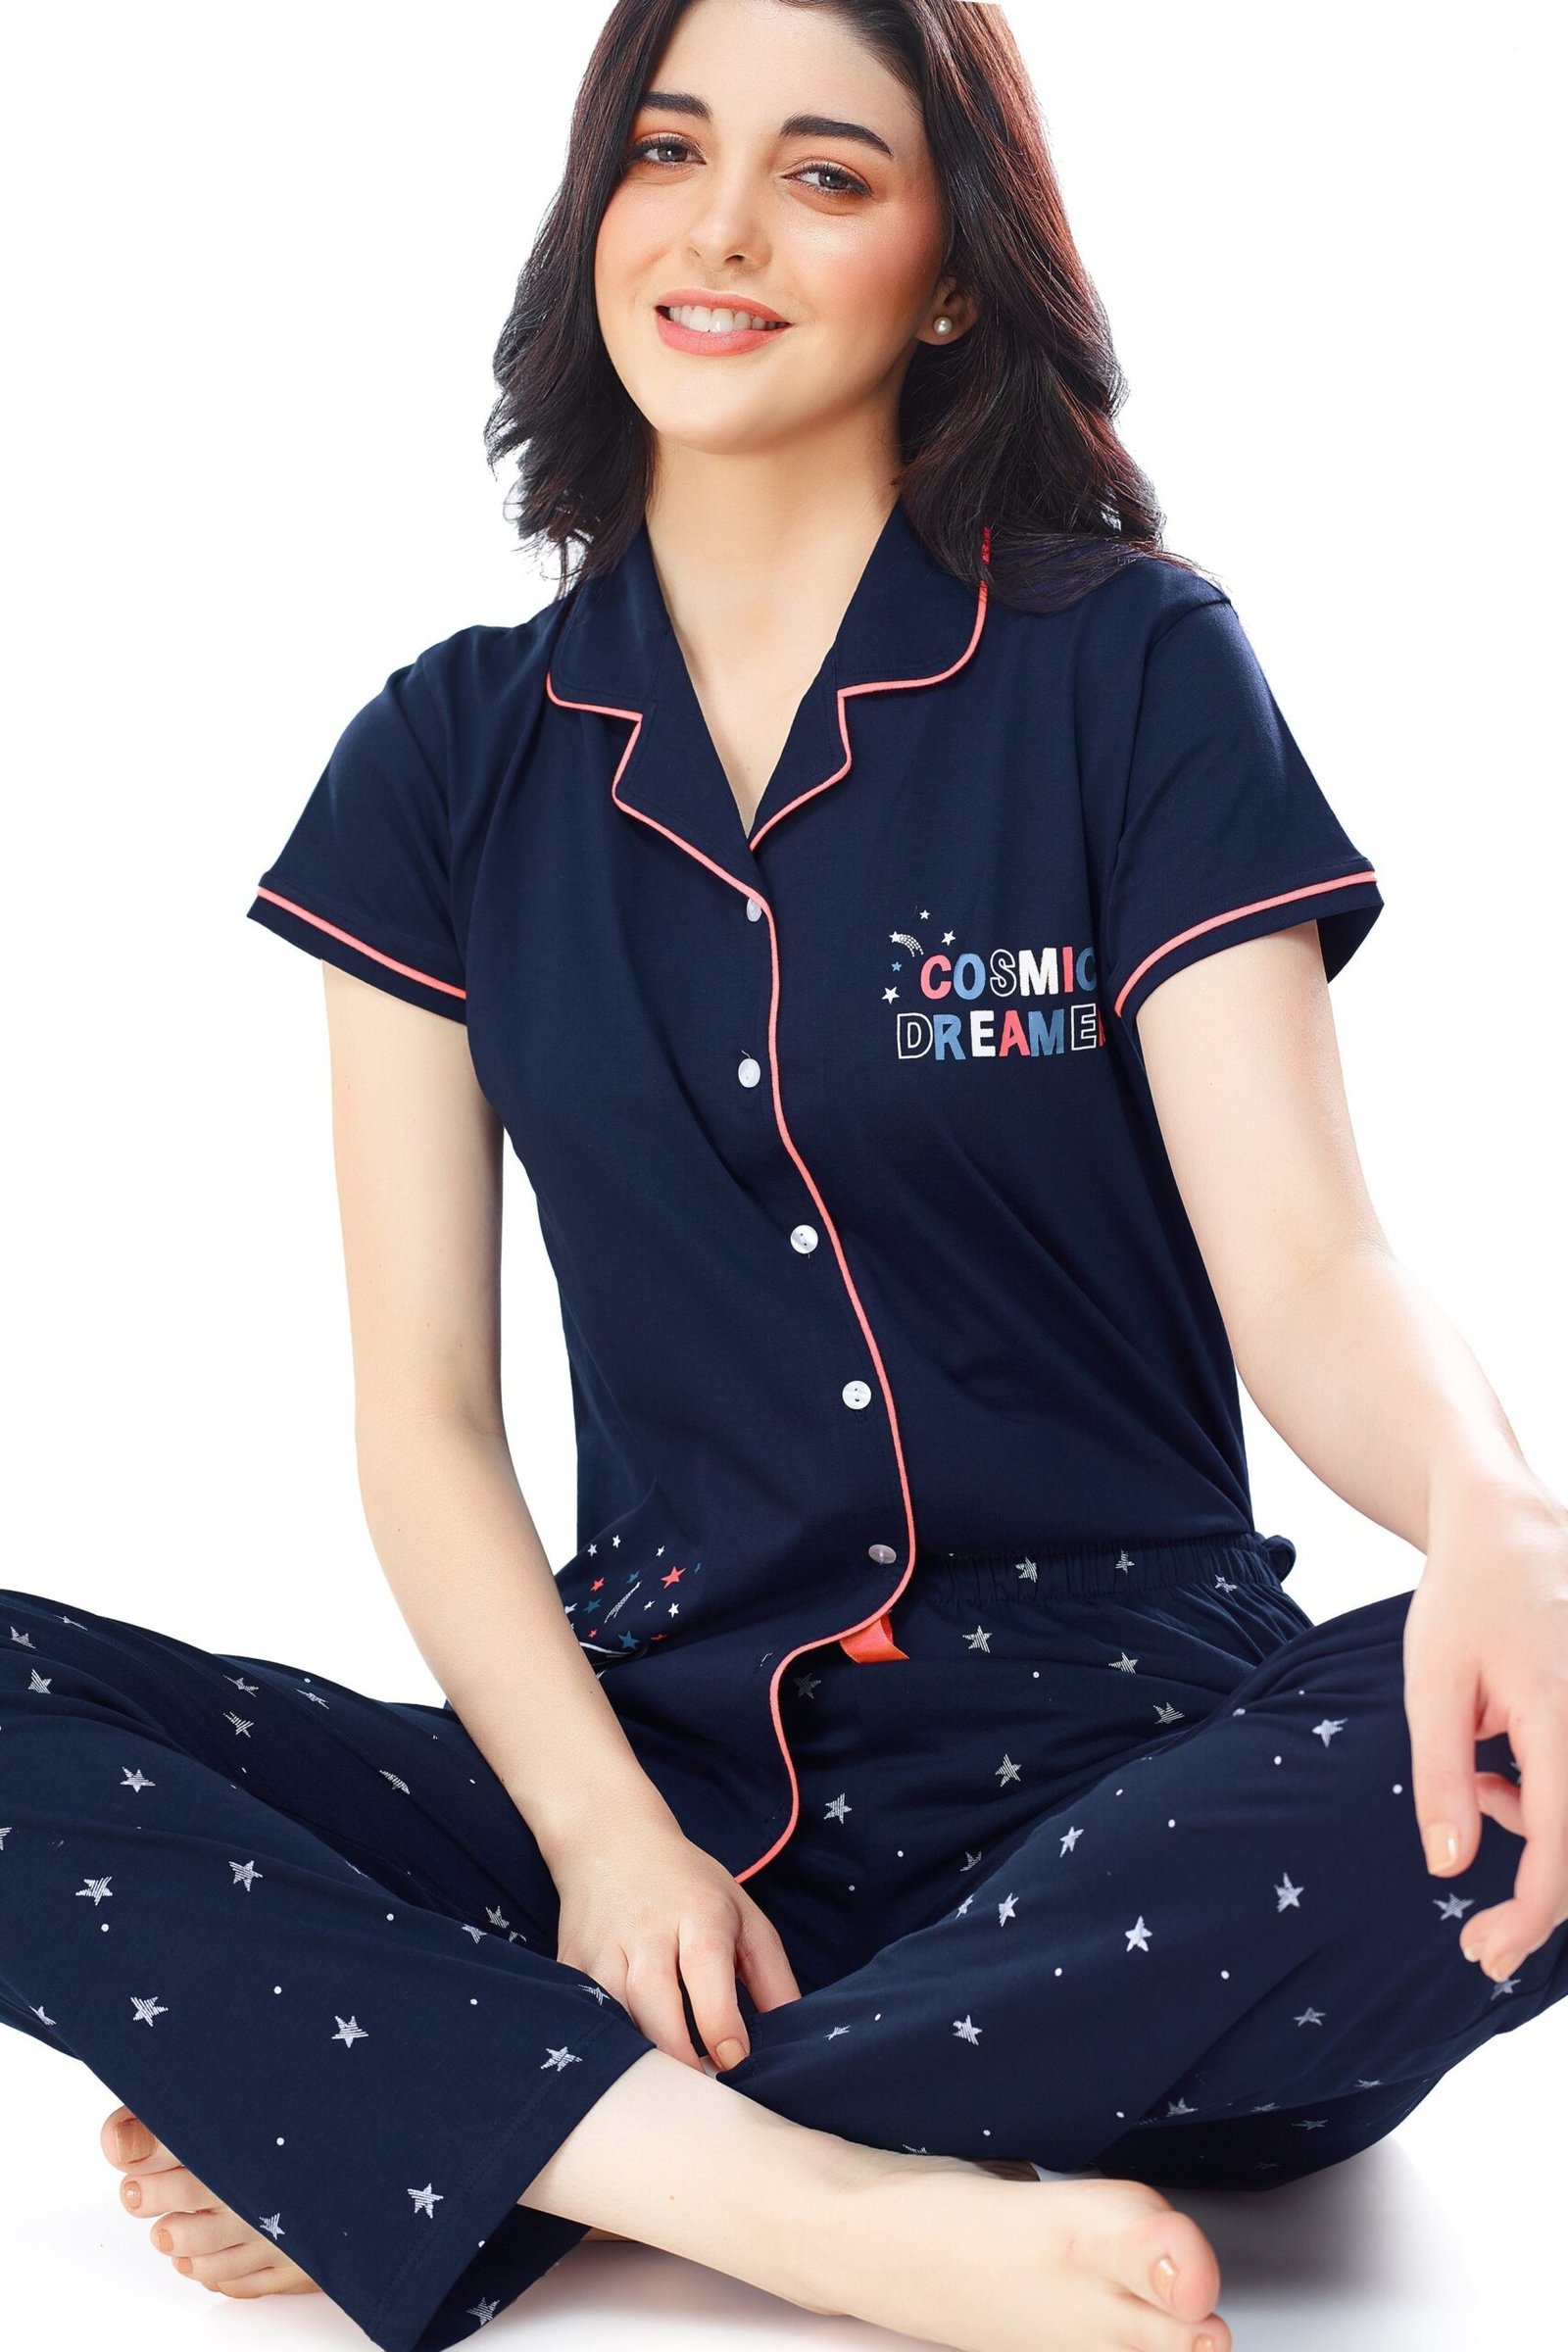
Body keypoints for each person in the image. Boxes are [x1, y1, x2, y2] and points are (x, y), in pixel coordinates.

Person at [5, 4, 1566, 2350]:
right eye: (667, 151)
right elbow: (424, 1414)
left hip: (1128, 1798)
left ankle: (512, 2152)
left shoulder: (1129, 670)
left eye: (825, 175)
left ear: (948, 276)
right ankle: (795, 2199)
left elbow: (1309, 1257)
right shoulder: (439, 760)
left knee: (1537, 1725)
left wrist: (1493, 1515)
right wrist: (602, 1845)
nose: (720, 227)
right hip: (646, 1798)